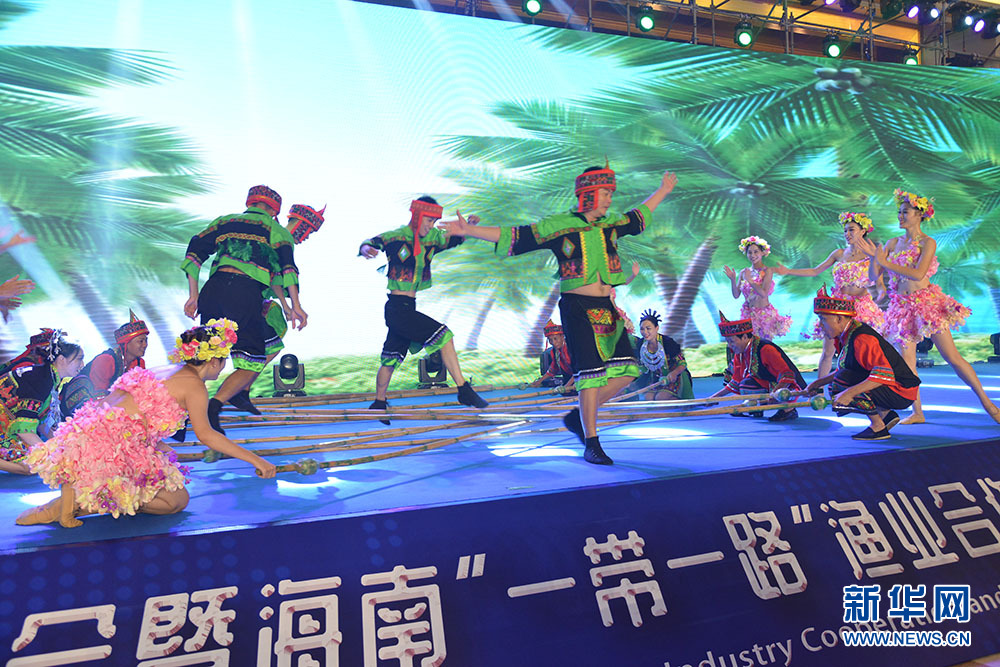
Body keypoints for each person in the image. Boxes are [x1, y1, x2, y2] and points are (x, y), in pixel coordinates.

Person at [440, 163, 678, 465]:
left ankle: (579, 417)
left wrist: (663, 190)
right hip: (577, 307)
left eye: (610, 193)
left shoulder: (612, 224)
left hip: (607, 309)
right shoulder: (559, 225)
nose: (609, 199)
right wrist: (469, 230)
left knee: (628, 371)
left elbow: (638, 217)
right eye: (605, 193)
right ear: (588, 193)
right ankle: (592, 442)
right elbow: (518, 236)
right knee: (590, 376)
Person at [17, 319, 277, 528]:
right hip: (108, 448)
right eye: (223, 361)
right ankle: (80, 503)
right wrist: (257, 460)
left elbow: (132, 412)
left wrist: (157, 447)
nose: (222, 368)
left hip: (88, 431)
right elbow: (206, 435)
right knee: (176, 501)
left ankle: (78, 499)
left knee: (171, 486)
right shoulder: (195, 386)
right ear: (213, 360)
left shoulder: (165, 369)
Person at [861, 189, 1000, 425]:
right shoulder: (892, 243)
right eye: (899, 212)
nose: (900, 216)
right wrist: (875, 257)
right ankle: (917, 412)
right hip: (901, 308)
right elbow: (875, 275)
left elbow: (918, 273)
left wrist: (884, 261)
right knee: (907, 363)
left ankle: (989, 405)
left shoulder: (928, 242)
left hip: (927, 305)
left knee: (953, 358)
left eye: (905, 212)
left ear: (919, 215)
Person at [181, 185, 307, 433]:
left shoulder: (225, 222)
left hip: (213, 290)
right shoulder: (276, 230)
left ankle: (187, 412)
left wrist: (193, 295)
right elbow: (287, 269)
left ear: (250, 203)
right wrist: (296, 306)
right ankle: (214, 407)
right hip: (244, 293)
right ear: (275, 211)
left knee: (207, 355)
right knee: (253, 360)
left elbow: (193, 254)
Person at [360, 196, 489, 420]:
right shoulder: (397, 236)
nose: (431, 226)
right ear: (417, 216)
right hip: (397, 308)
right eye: (428, 221)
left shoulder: (432, 239)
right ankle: (463, 389)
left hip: (407, 307)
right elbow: (373, 242)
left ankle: (379, 403)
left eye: (433, 222)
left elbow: (454, 238)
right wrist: (365, 248)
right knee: (444, 336)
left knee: (390, 358)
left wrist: (469, 226)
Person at [228, 203, 326, 415]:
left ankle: (241, 391)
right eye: (308, 231)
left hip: (251, 299)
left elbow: (275, 277)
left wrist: (287, 305)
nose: (306, 237)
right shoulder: (277, 236)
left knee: (267, 347)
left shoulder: (277, 236)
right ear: (300, 224)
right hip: (245, 297)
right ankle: (235, 392)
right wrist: (292, 306)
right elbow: (281, 275)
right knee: (265, 347)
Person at [775, 212, 886, 376]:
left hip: (860, 308)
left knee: (860, 351)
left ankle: (861, 385)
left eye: (851, 230)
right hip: (837, 307)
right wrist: (788, 271)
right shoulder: (839, 254)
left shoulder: (872, 255)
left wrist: (881, 293)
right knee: (828, 351)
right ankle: (818, 388)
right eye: (845, 230)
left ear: (863, 231)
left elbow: (880, 283)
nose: (847, 234)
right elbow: (815, 271)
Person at [805, 287, 919, 440]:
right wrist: (818, 383)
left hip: (901, 390)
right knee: (840, 380)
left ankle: (878, 427)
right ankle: (885, 415)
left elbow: (883, 374)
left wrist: (849, 393)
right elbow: (846, 369)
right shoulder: (847, 334)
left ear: (839, 319)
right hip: (892, 386)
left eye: (823, 319)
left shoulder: (861, 338)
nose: (820, 325)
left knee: (841, 382)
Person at [0, 329, 85, 474]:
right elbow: (23, 430)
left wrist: (61, 445)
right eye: (79, 359)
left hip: (7, 424)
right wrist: (50, 453)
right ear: (61, 359)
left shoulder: (49, 377)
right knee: (31, 465)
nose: (82, 364)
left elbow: (41, 422)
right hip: (6, 427)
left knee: (40, 461)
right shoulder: (40, 380)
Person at [708, 312, 805, 421]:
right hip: (768, 384)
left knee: (749, 384)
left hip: (787, 386)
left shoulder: (765, 349)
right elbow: (736, 381)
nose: (729, 346)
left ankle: (789, 410)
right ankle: (755, 409)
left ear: (744, 337)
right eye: (728, 342)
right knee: (746, 384)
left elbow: (787, 374)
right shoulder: (740, 352)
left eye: (731, 341)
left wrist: (774, 394)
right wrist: (714, 398)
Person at [59, 310, 149, 419]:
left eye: (146, 340)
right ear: (126, 343)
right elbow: (98, 396)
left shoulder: (139, 363)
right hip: (82, 406)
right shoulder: (106, 360)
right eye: (140, 341)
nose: (145, 345)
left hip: (109, 406)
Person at [723, 236, 792, 341]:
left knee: (763, 346)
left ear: (763, 252)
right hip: (748, 314)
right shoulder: (744, 272)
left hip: (764, 316)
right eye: (749, 252)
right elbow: (736, 295)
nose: (753, 255)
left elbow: (764, 293)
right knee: (749, 345)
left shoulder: (767, 271)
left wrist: (750, 280)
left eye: (756, 252)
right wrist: (732, 279)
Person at [630, 309, 693, 400]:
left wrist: (674, 373)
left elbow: (682, 363)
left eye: (648, 328)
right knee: (648, 398)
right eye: (642, 329)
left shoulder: (668, 343)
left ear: (656, 328)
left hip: (673, 377)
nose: (645, 332)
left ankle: (680, 403)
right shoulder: (640, 345)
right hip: (655, 379)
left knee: (661, 398)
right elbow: (642, 368)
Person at [529, 320, 574, 390]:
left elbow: (579, 370)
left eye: (555, 339)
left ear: (562, 337)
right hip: (570, 377)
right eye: (550, 340)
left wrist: (566, 387)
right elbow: (553, 369)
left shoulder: (571, 348)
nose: (553, 342)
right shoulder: (555, 351)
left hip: (581, 376)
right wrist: (539, 381)